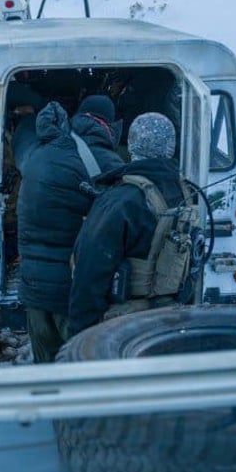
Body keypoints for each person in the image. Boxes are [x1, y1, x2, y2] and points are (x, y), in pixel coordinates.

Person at [11, 95, 123, 363]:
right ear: (109, 126)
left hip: (34, 288)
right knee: (78, 367)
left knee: (46, 367)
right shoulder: (107, 164)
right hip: (72, 292)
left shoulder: (39, 153)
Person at [67, 112, 189, 338]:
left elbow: (90, 273)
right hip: (170, 318)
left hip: (125, 326)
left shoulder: (122, 200)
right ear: (171, 146)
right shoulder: (185, 190)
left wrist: (79, 335)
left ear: (131, 144)